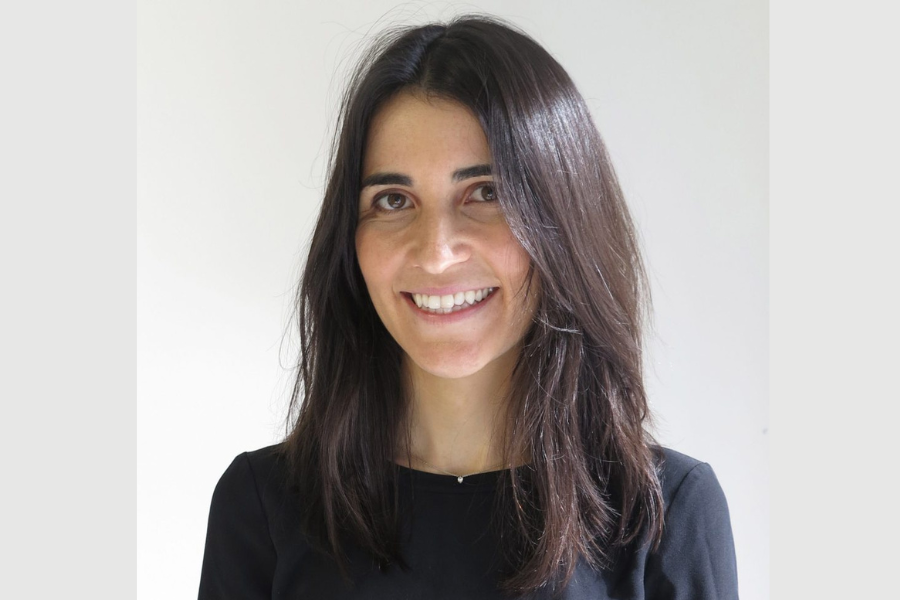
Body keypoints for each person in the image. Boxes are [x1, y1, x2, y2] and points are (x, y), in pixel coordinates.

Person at [198, 15, 739, 600]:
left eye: (486, 193)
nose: (436, 254)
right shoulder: (262, 508)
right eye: (393, 199)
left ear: (563, 218)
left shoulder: (665, 515)